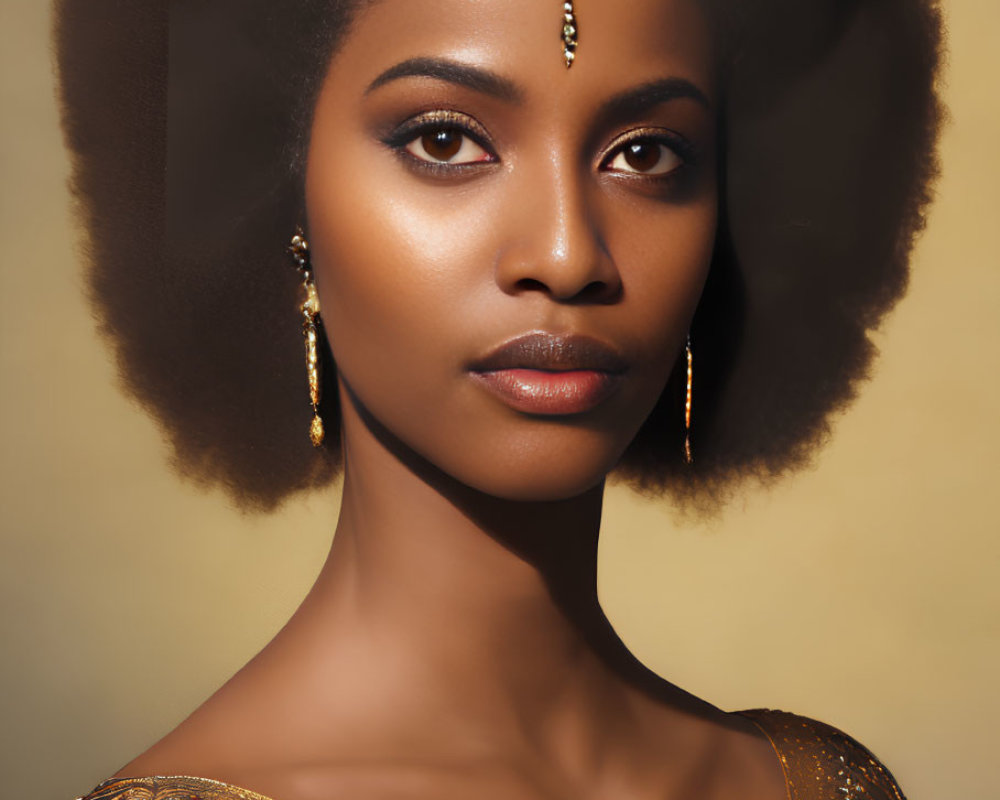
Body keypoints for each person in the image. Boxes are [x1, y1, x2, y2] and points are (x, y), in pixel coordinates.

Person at [56, 0, 942, 798]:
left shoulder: (818, 786)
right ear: (278, 193)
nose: (567, 254)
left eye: (645, 153)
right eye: (444, 142)